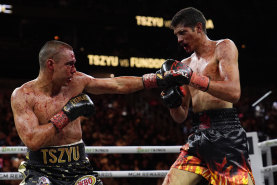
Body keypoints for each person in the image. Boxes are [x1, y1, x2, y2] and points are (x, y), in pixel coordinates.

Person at [10, 40, 187, 185]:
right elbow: (32, 140)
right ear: (50, 64)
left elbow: (117, 85)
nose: (74, 69)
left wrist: (157, 79)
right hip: (40, 169)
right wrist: (66, 115)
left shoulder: (77, 81)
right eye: (69, 64)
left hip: (78, 166)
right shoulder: (23, 95)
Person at [160, 7, 255, 185]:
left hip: (226, 133)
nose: (179, 40)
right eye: (176, 35)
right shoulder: (185, 64)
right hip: (198, 135)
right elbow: (181, 116)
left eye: (183, 32)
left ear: (198, 28)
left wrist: (193, 78)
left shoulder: (223, 47)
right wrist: (172, 103)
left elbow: (234, 93)